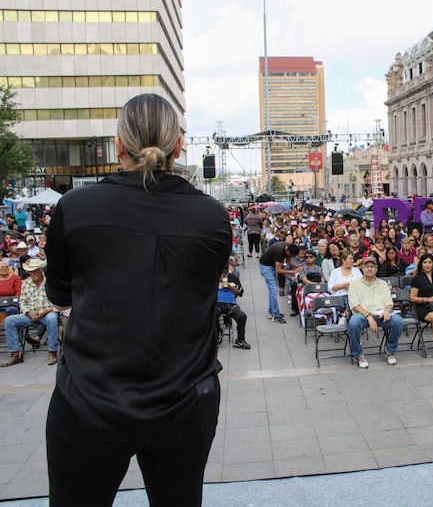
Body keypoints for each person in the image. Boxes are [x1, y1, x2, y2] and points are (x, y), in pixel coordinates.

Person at [42, 93, 231, 506]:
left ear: (118, 146)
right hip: (186, 401)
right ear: (178, 147)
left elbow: (59, 293)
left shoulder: (74, 208)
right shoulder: (213, 217)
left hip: (89, 400)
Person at [346, 256, 404, 368]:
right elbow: (355, 305)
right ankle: (359, 355)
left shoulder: (382, 284)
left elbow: (388, 301)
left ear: (376, 269)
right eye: (367, 266)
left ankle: (390, 350)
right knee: (353, 323)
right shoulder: (354, 284)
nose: (369, 269)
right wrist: (368, 316)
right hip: (362, 315)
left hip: (381, 314)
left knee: (398, 321)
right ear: (362, 268)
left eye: (372, 266)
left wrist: (387, 310)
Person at [2, 258, 59, 367]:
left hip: (46, 312)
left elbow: (58, 302)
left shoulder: (50, 282)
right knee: (9, 320)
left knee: (52, 318)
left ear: (41, 270)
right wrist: (28, 312)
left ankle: (52, 352)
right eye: (31, 271)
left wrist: (47, 310)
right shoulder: (26, 283)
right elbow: (22, 302)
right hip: (30, 314)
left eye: (35, 270)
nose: (33, 273)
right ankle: (15, 354)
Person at [259, 241, 301, 324]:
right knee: (273, 289)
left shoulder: (288, 247)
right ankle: (275, 315)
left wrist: (298, 266)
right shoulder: (279, 252)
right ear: (288, 252)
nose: (292, 257)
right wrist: (294, 271)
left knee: (272, 290)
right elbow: (279, 270)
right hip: (266, 266)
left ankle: (272, 311)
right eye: (292, 255)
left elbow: (289, 261)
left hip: (271, 265)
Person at [216, 268, 249, 349]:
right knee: (211, 315)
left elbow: (240, 292)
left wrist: (230, 287)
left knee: (242, 316)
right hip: (217, 304)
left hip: (231, 304)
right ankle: (218, 333)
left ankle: (240, 340)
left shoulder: (233, 279)